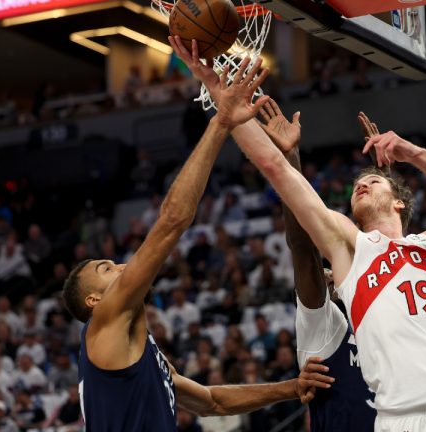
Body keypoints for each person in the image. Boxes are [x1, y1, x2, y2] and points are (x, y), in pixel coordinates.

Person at [170, 38, 426, 431]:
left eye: (373, 180)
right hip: (406, 420)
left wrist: (416, 154)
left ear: (399, 203)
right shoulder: (351, 248)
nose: (361, 185)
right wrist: (221, 100)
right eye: (357, 185)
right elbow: (276, 168)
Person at [63, 43, 329, 431]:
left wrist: (293, 387)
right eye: (106, 268)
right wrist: (220, 122)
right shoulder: (105, 319)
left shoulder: (137, 349)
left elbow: (212, 401)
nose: (121, 265)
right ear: (94, 299)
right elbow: (172, 221)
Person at [257, 98, 376, 431]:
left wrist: (388, 178)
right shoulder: (326, 326)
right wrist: (289, 159)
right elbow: (302, 247)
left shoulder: (385, 318)